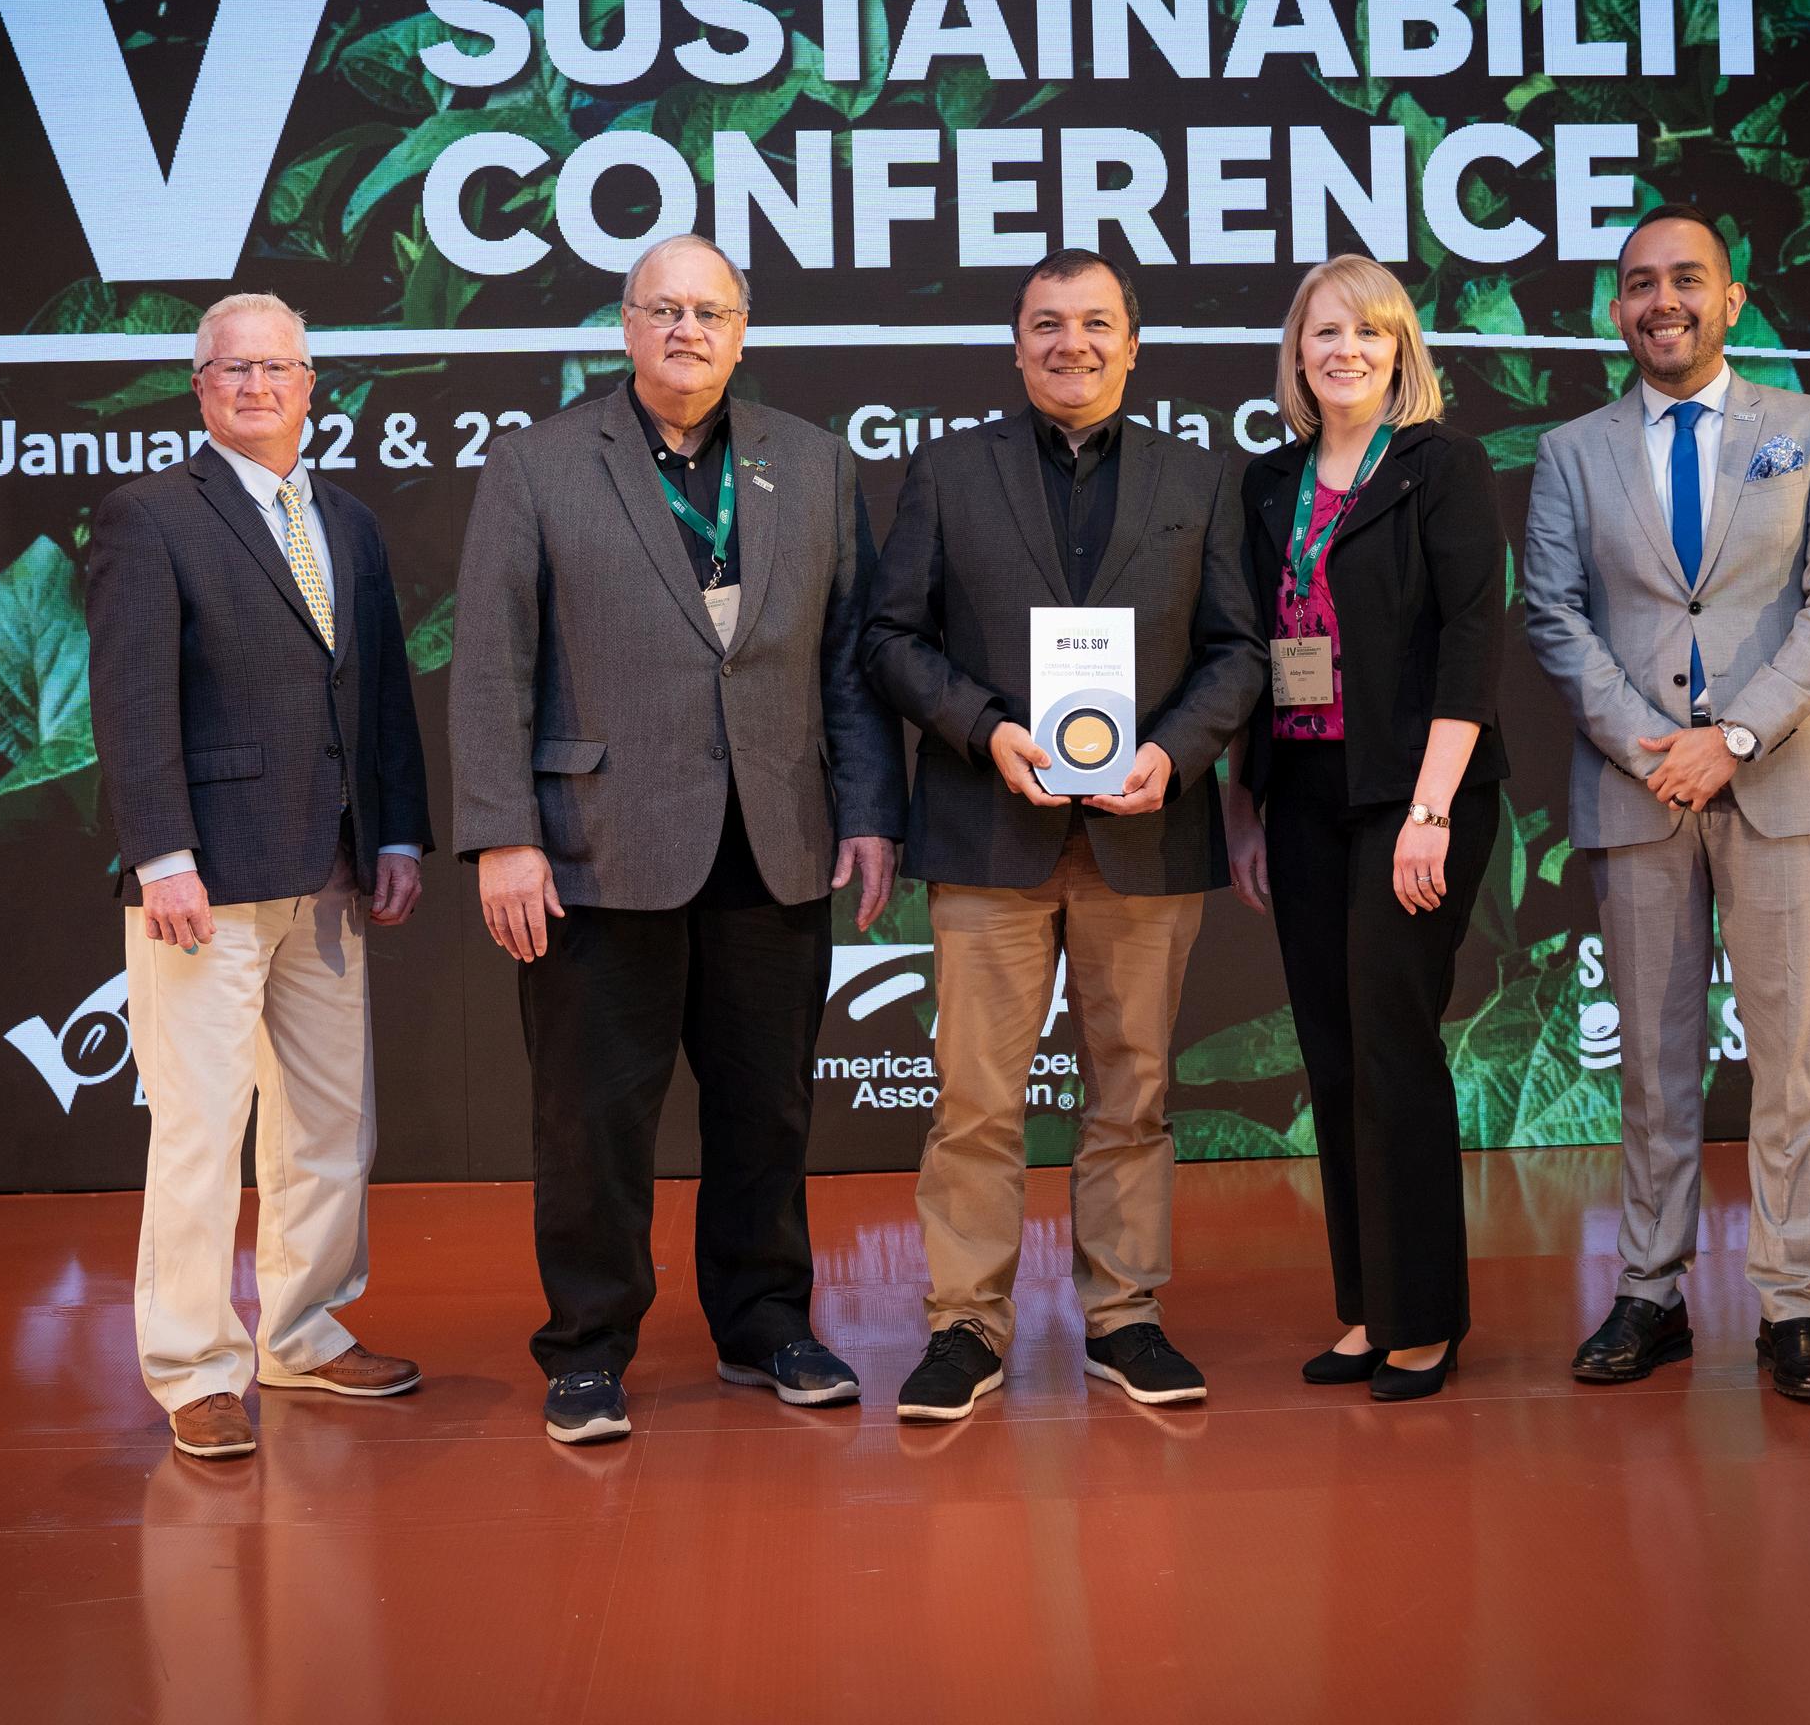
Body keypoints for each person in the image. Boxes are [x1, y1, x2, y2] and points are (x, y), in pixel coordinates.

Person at [448, 233, 904, 1445]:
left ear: (742, 331)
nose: (686, 329)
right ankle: (588, 1346)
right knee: (591, 1119)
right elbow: (490, 664)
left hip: (775, 837)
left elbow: (849, 660)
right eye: (663, 309)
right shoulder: (540, 462)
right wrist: (502, 835)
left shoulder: (812, 463)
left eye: (709, 311)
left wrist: (868, 810)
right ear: (626, 324)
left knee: (768, 1110)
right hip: (595, 847)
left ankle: (766, 1323)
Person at [862, 247, 1266, 1423]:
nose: (1070, 344)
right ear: (1017, 342)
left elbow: (1238, 649)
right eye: (1047, 323)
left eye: (1094, 323)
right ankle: (964, 1324)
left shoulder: (1198, 478)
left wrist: (1172, 752)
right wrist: (983, 727)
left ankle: (1124, 1314)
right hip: (989, 828)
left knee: (1131, 1094)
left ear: (1132, 344)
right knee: (976, 1101)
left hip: (1145, 831)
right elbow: (891, 638)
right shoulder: (950, 470)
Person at [1522, 204, 1810, 1404]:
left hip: (1781, 775)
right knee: (1654, 1065)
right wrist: (1653, 749)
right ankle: (1651, 1291)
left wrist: (1730, 737)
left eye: (1686, 279)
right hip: (1641, 790)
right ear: (1616, 309)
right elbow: (1553, 616)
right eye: (1639, 283)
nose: (1661, 300)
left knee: (1789, 1064)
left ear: (1731, 299)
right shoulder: (1571, 451)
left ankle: (1791, 1303)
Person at [86, 291, 436, 1461]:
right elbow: (131, 701)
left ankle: (303, 1330)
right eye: (230, 368)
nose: (255, 384)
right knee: (200, 1132)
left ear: (310, 385)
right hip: (208, 878)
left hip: (333, 868)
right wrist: (162, 857)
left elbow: (379, 691)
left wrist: (397, 834)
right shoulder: (149, 516)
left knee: (330, 1122)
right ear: (199, 389)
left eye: (276, 366)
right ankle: (194, 1367)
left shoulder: (349, 521)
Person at [1222, 255, 1508, 1404]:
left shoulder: (1442, 465)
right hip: (1300, 792)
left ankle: (1424, 1319)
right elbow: (1250, 652)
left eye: (1369, 331)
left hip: (1416, 793)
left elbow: (1473, 638)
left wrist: (1430, 808)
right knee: (1333, 1052)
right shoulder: (1267, 482)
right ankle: (1366, 1305)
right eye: (1325, 331)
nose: (1345, 350)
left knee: (1392, 1045)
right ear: (1297, 352)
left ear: (1401, 351)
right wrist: (1243, 804)